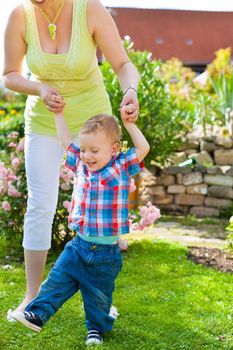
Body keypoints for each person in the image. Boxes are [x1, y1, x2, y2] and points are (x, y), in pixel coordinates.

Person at [3, 0, 140, 314]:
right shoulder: (19, 16)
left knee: (101, 204)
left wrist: (129, 89)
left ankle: (101, 300)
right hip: (45, 119)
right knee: (40, 203)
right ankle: (32, 296)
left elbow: (122, 64)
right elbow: (9, 74)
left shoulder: (88, 8)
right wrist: (38, 89)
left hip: (94, 124)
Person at [11, 106, 150, 346]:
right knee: (57, 279)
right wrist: (58, 115)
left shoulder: (120, 167)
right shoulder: (81, 165)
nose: (87, 155)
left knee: (98, 298)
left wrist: (130, 126)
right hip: (78, 245)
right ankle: (37, 314)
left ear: (114, 149)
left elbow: (143, 149)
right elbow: (66, 142)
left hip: (105, 254)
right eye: (84, 149)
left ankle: (97, 327)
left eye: (94, 150)